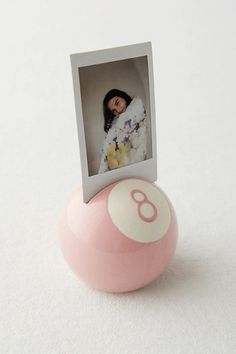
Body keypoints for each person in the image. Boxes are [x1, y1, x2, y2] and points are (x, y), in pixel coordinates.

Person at [98, 89, 147, 173]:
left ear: (122, 96)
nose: (118, 110)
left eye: (117, 103)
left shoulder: (137, 105)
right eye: (114, 111)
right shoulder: (117, 123)